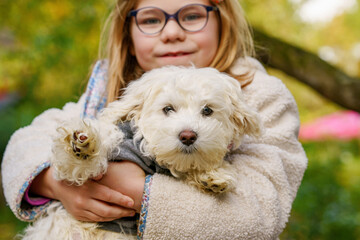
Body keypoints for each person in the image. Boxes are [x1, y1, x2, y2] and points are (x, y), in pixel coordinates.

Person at [1, 0, 308, 239]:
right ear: (128, 35)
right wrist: (55, 182)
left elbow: (260, 213)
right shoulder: (106, 92)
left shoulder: (260, 94)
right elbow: (26, 142)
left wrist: (139, 190)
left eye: (191, 16)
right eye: (151, 19)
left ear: (222, 22)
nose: (172, 32)